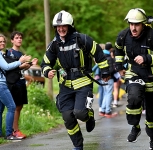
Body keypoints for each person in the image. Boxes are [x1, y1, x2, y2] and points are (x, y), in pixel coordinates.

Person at [41, 10, 110, 150]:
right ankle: (78, 146)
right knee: (67, 117)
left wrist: (105, 71)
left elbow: (99, 53)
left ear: (70, 25)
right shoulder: (54, 44)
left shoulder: (83, 39)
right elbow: (45, 63)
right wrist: (47, 71)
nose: (60, 29)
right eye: (58, 27)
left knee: (80, 113)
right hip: (65, 85)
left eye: (64, 26)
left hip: (83, 81)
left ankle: (89, 115)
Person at [115, 8, 153, 150]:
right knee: (133, 98)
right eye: (131, 24)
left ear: (143, 24)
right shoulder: (123, 35)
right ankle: (135, 127)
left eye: (136, 24)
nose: (133, 27)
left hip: (151, 74)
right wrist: (119, 65)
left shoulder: (152, 35)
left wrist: (147, 58)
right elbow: (118, 49)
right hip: (134, 73)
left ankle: (152, 138)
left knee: (151, 114)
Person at [0, 33, 31, 140]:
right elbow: (6, 67)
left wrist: (25, 64)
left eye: (3, 41)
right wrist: (20, 62)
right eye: (0, 41)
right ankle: (9, 134)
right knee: (12, 107)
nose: (2, 43)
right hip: (0, 84)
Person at [7, 31, 38, 139]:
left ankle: (16, 129)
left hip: (21, 81)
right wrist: (21, 63)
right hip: (13, 83)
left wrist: (31, 64)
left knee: (20, 106)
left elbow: (22, 67)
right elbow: (10, 68)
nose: (19, 39)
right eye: (16, 38)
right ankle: (14, 130)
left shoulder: (20, 54)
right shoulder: (9, 53)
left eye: (20, 38)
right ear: (12, 40)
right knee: (15, 106)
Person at [99, 42, 117, 118]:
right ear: (110, 49)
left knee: (106, 94)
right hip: (109, 78)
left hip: (102, 78)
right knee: (109, 94)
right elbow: (112, 69)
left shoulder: (101, 56)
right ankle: (108, 112)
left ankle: (102, 110)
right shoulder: (110, 58)